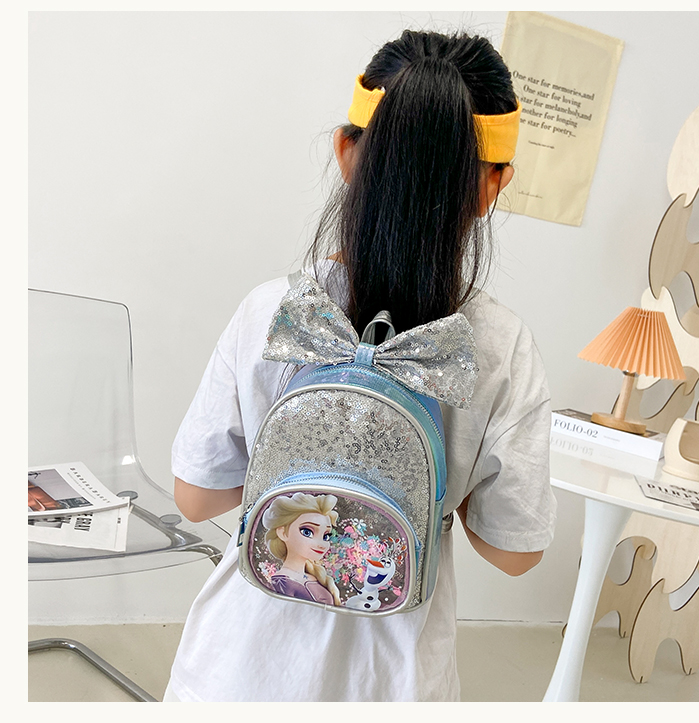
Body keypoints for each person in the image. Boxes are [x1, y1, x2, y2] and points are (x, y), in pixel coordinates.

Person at [166, 29, 556, 702]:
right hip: (392, 682)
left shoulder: (273, 311)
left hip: (236, 672)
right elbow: (516, 553)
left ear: (347, 152)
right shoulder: (501, 346)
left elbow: (196, 497)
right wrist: (443, 485)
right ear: (493, 185)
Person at [261, 492, 342, 606]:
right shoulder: (283, 581)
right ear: (283, 533)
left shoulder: (312, 576)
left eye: (326, 536)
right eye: (307, 532)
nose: (322, 544)